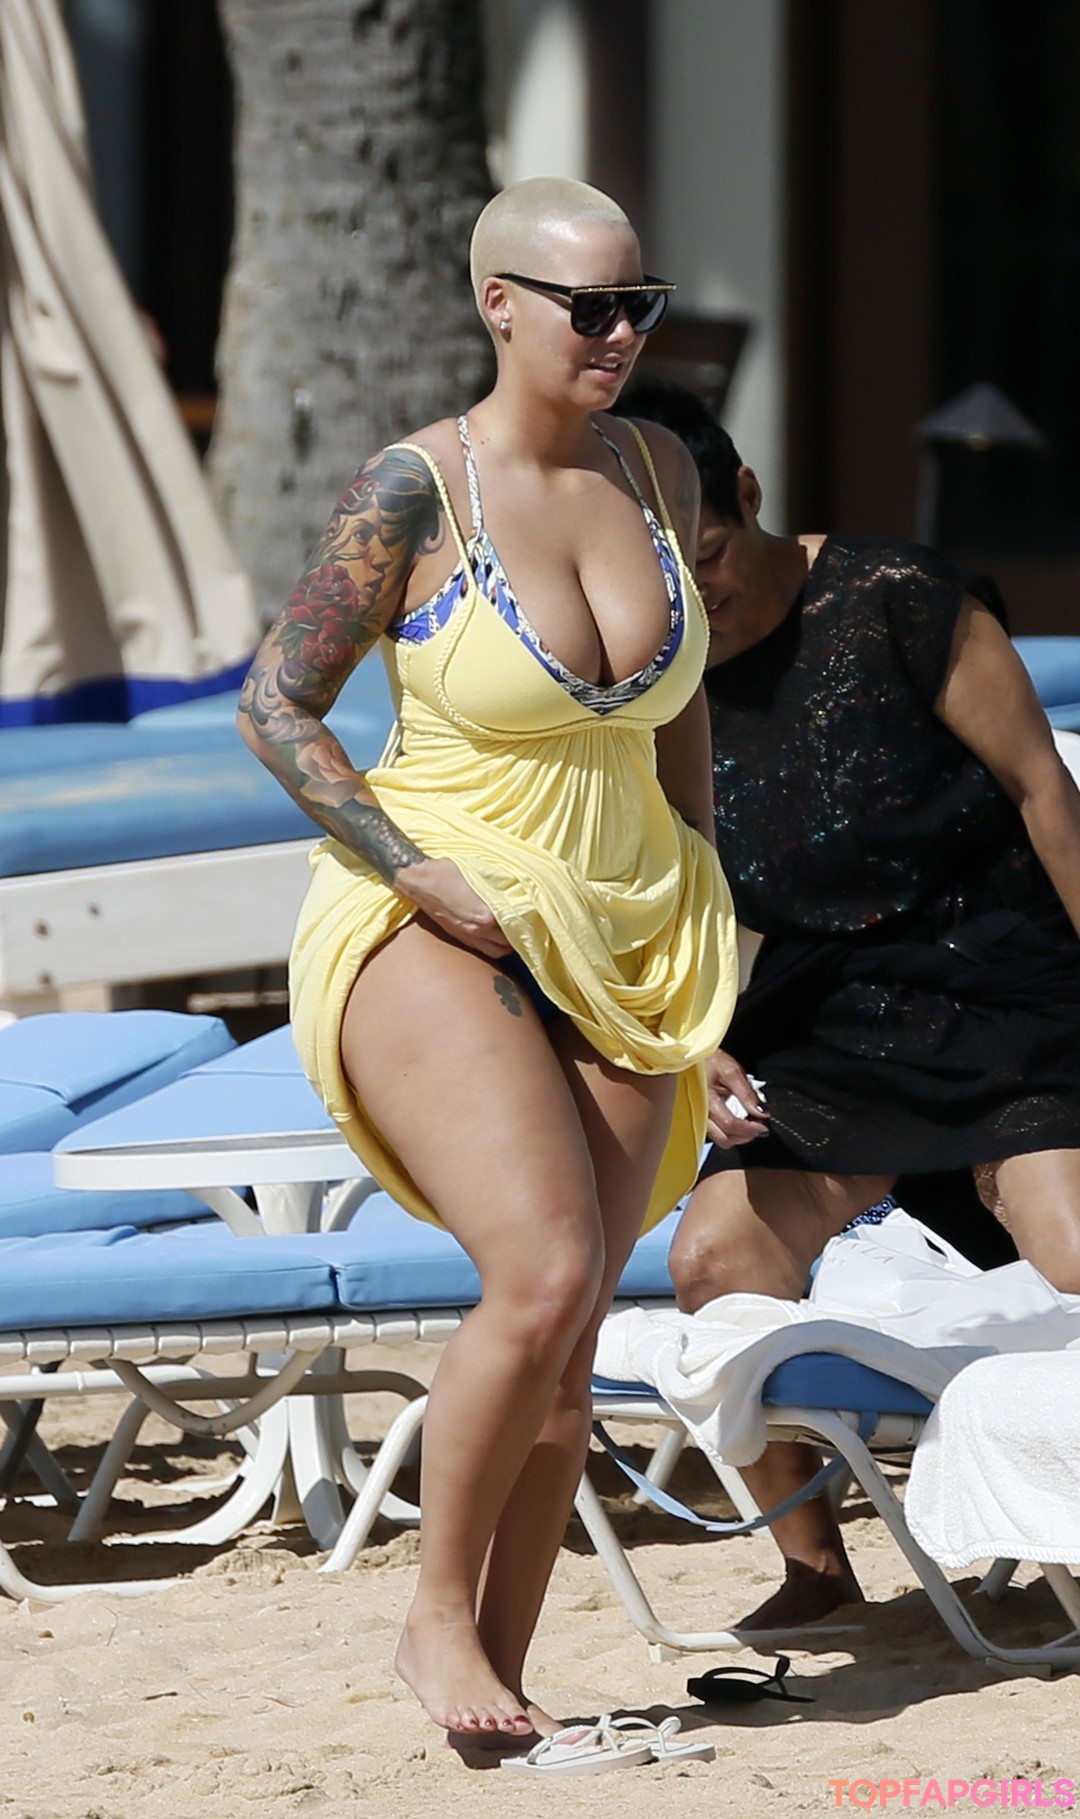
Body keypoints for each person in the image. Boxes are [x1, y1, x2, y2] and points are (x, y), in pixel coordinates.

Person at [237, 184, 738, 1743]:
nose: (620, 334)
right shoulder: (415, 489)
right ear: (498, 303)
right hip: (439, 905)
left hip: (632, 920)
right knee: (542, 1272)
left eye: (639, 304)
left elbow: (681, 715)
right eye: (589, 306)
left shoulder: (655, 467)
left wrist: (713, 925)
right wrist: (411, 869)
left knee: (567, 1353)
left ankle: (498, 1704)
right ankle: (431, 1619)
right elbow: (275, 702)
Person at [617, 375, 1080, 1630]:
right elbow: (659, 886)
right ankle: (815, 1567)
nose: (695, 592)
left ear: (748, 494)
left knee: (1071, 1238)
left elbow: (1044, 792)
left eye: (709, 554)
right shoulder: (653, 679)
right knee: (715, 1257)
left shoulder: (897, 598)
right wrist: (698, 1037)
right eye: (664, 575)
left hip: (1001, 971)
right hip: (827, 1004)